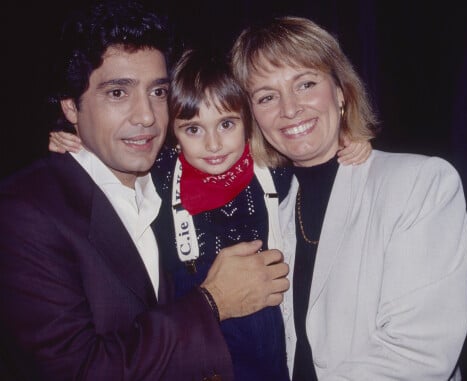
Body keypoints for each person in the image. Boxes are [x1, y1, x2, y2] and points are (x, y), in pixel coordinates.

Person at [0, 1, 290, 380]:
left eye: (157, 92)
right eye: (118, 93)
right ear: (71, 107)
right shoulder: (25, 211)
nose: (147, 116)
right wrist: (213, 302)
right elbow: (77, 370)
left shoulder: (163, 178)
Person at [47, 47, 371, 380]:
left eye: (226, 124)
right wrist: (76, 144)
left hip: (269, 338)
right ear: (174, 133)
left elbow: (315, 157)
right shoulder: (160, 171)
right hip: (195, 336)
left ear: (248, 123)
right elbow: (115, 153)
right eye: (193, 129)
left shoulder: (271, 167)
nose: (213, 144)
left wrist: (351, 142)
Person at [230, 16, 467, 380]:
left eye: (306, 84)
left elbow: (418, 353)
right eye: (266, 97)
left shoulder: (418, 184)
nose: (289, 109)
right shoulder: (268, 211)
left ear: (341, 92)